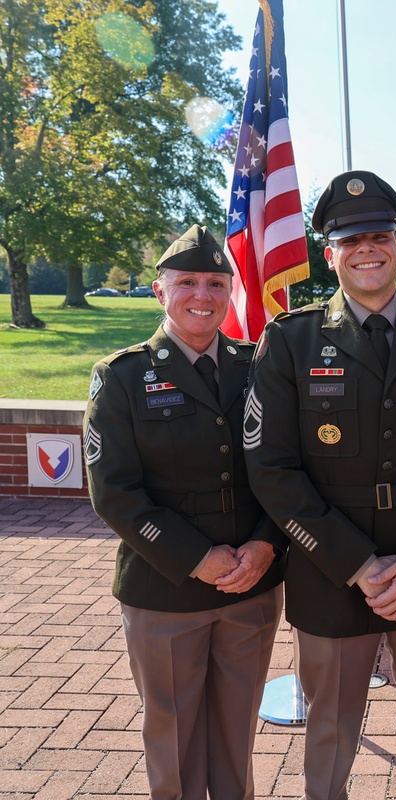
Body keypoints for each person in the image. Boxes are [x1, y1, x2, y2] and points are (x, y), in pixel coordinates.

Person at [243, 170, 396, 800]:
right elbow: (272, 469)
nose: (367, 249)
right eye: (350, 239)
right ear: (329, 252)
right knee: (328, 733)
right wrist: (356, 564)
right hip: (329, 572)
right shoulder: (290, 340)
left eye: (380, 235)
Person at [83, 225, 284, 800]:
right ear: (158, 291)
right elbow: (114, 492)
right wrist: (196, 558)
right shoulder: (120, 377)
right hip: (165, 590)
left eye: (217, 283)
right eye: (188, 281)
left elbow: (286, 470)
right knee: (172, 737)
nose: (204, 294)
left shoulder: (257, 366)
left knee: (235, 732)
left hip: (252, 581)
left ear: (231, 292)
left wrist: (266, 544)